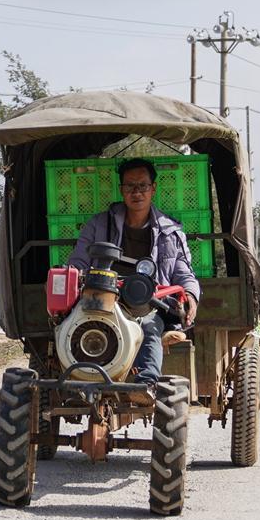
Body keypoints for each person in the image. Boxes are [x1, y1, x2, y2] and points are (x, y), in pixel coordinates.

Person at [68, 157, 199, 392]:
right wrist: (69, 277)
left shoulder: (171, 232)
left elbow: (184, 272)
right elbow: (78, 262)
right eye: (130, 186)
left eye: (143, 186)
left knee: (148, 327)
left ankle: (145, 386)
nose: (136, 192)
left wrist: (191, 294)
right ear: (121, 190)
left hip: (148, 303)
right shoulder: (98, 224)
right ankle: (77, 383)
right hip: (102, 300)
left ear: (153, 188)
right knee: (75, 328)